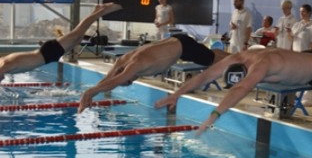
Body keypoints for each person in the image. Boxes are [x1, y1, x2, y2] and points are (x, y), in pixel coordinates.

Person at [155, 47, 312, 134]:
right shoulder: (238, 57)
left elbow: (240, 89)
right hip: (310, 60)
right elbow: (205, 75)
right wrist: (177, 94)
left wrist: (213, 117)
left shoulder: (260, 65)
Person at [0, 2, 122, 104]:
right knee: (78, 35)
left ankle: (100, 10)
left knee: (78, 31)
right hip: (46, 52)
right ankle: (97, 11)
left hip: (48, 53)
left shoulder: (2, 68)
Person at [78, 34, 230, 113]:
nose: (132, 80)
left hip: (183, 47)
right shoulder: (122, 61)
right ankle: (235, 56)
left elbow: (113, 82)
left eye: (129, 81)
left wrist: (89, 92)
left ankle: (241, 59)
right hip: (177, 43)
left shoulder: (133, 65)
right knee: (210, 56)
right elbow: (108, 79)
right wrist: (92, 94)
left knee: (211, 60)